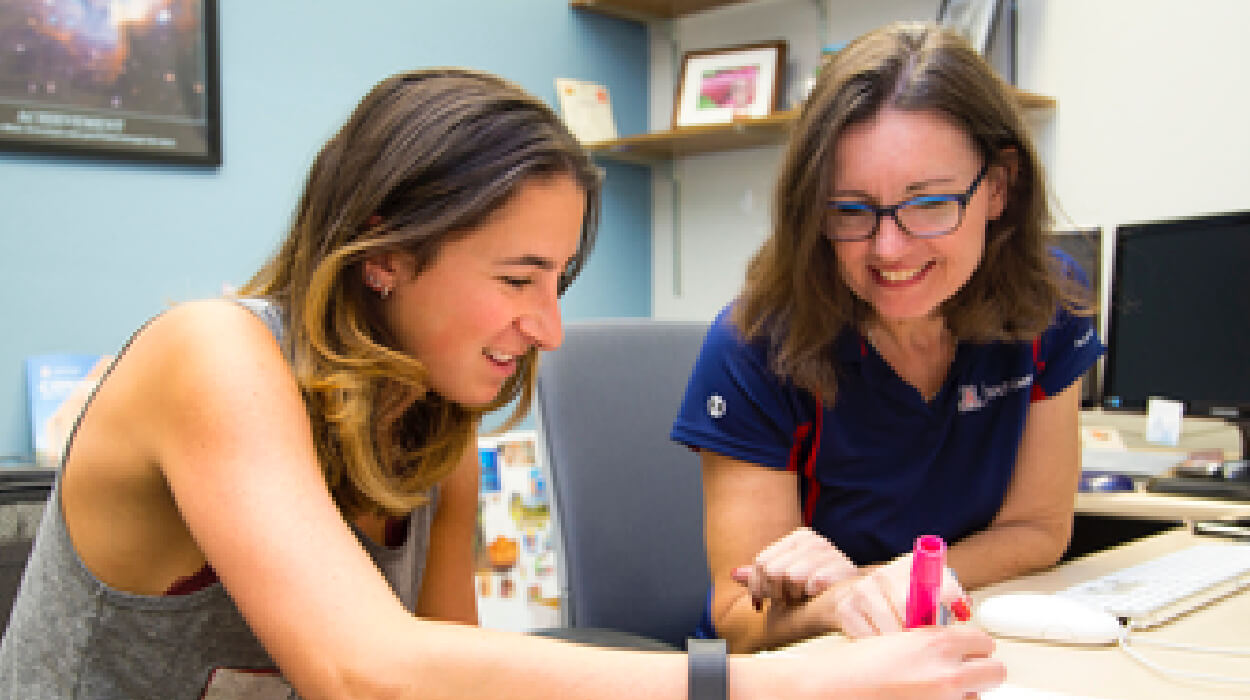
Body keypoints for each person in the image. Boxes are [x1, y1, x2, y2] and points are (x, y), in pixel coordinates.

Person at [0, 67, 1004, 699]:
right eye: (518, 276)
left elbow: (447, 681)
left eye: (557, 280)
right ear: (384, 255)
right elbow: (369, 672)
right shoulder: (209, 353)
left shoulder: (433, 432)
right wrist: (779, 685)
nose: (550, 326)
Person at [672, 22, 1103, 654]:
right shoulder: (754, 346)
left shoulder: (1047, 306)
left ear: (999, 189)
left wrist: (885, 585)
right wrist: (844, 603)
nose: (888, 249)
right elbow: (739, 616)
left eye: (928, 203)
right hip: (804, 667)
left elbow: (1037, 530)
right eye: (850, 210)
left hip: (952, 639)